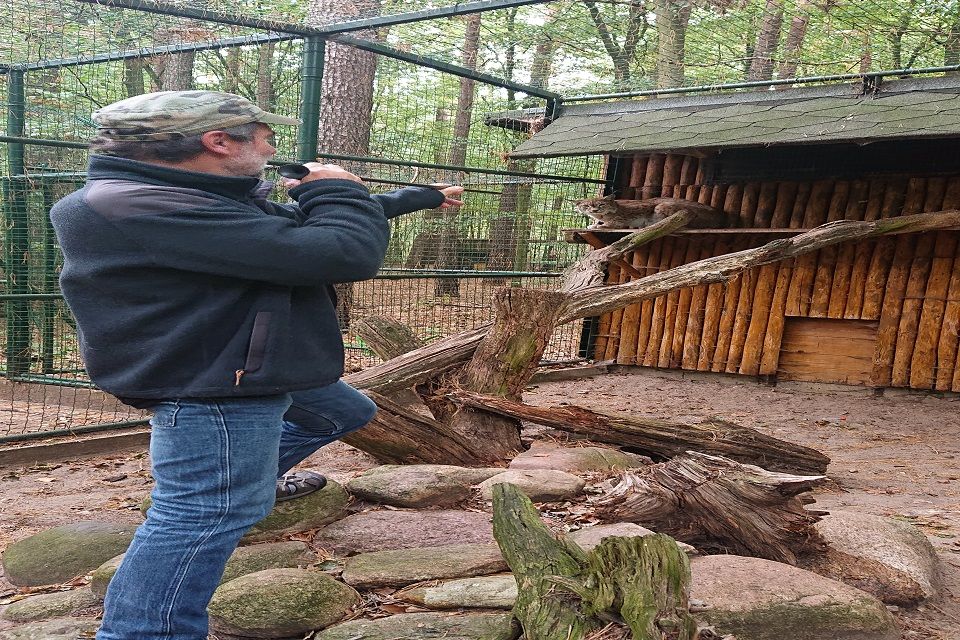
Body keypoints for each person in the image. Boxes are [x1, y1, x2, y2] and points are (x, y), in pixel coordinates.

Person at [49, 90, 464, 640]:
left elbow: (284, 224)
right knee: (200, 517)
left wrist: (412, 198)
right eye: (265, 136)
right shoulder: (138, 204)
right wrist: (336, 188)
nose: (272, 148)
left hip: (244, 361)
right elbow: (338, 251)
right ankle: (143, 628)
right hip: (215, 381)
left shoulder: (171, 194)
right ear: (218, 141)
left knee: (342, 412)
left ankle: (245, 482)